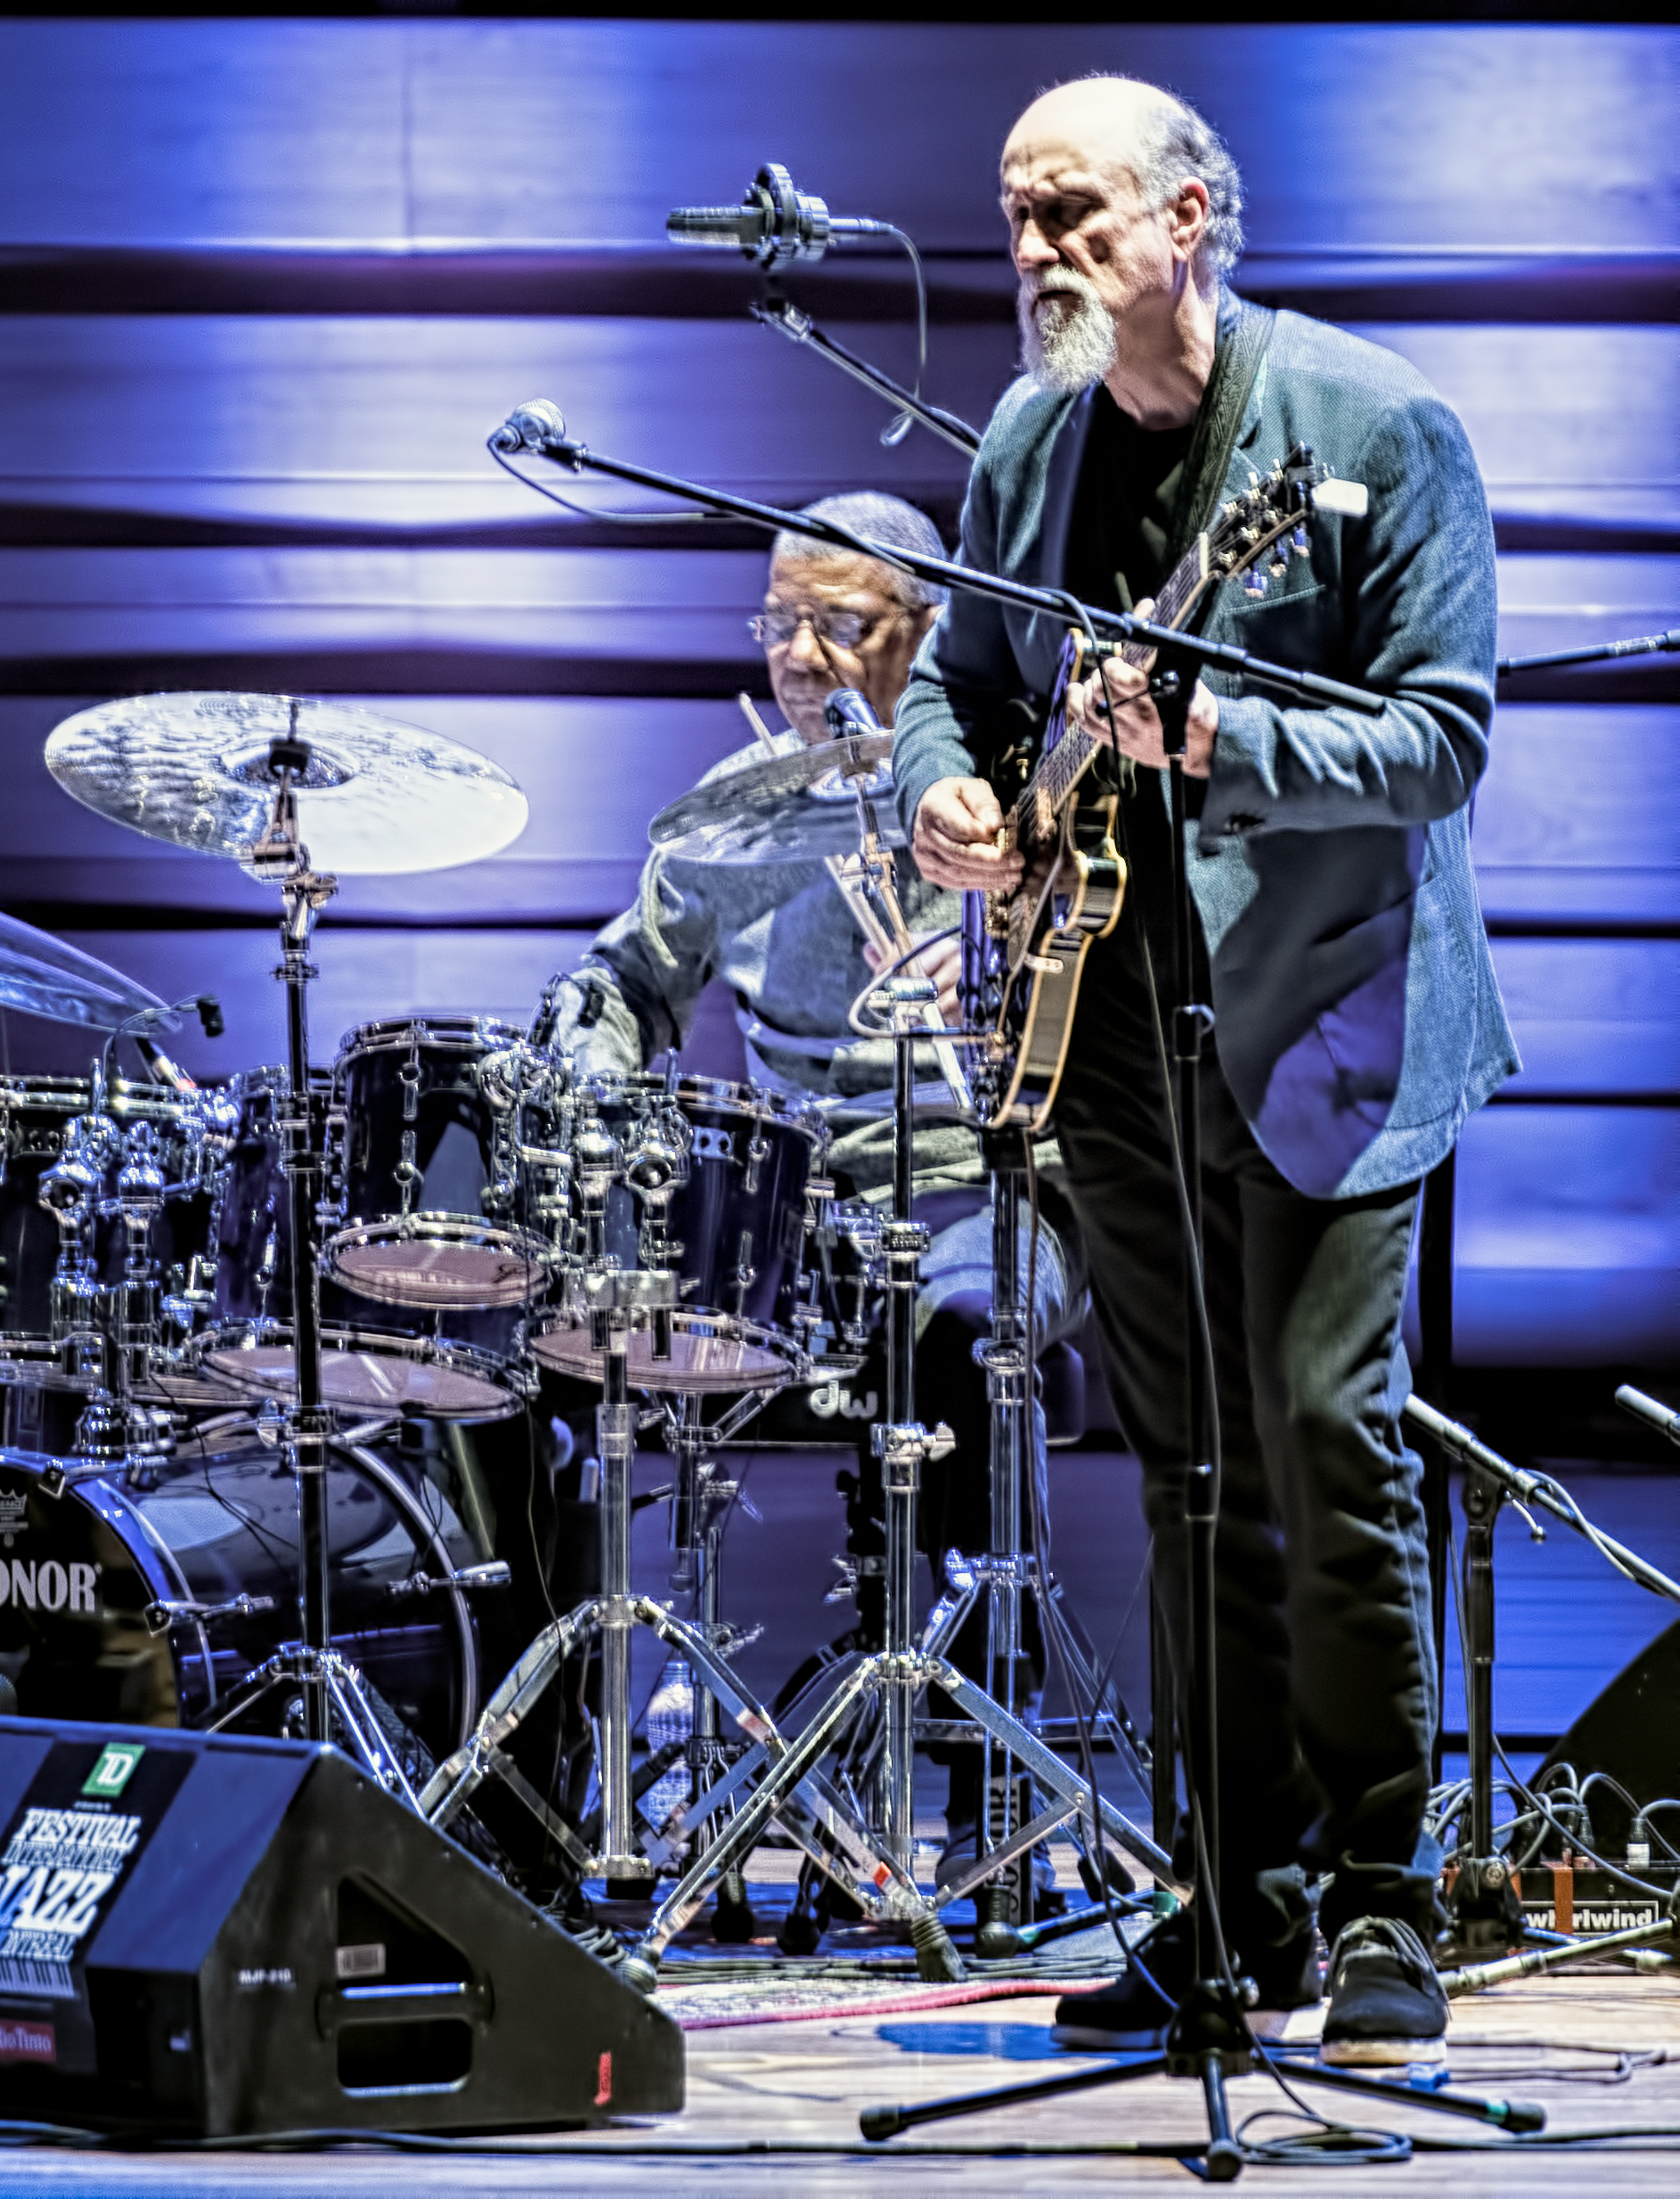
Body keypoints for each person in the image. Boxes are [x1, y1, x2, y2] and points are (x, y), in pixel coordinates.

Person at [895, 75, 1516, 2066]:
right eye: (1012, 215)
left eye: (1070, 210)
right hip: (1103, 1027)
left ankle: (1380, 1894)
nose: (1032, 250)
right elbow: (949, 680)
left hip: (1331, 1024)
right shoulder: (1028, 439)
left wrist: (1212, 742)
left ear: (1191, 219)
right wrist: (951, 801)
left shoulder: (1373, 428)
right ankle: (1228, 1904)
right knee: (1187, 1484)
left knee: (1327, 1452)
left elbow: (1439, 743)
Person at [550, 491, 1090, 1920]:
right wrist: (585, 1074)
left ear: (921, 634)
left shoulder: (1005, 803)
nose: (799, 654)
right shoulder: (728, 821)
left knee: (973, 1336)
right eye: (777, 623)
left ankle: (989, 1817)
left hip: (982, 1189)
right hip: (793, 1222)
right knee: (551, 1360)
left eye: (836, 624)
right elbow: (618, 983)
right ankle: (545, 1798)